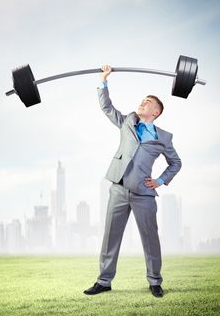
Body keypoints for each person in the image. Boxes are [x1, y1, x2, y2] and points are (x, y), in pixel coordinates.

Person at [83, 64, 182, 298]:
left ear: (156, 112)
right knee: (110, 237)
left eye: (149, 102)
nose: (143, 102)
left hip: (144, 195)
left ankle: (155, 281)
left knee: (150, 238)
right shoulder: (128, 121)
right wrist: (103, 80)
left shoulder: (164, 138)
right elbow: (107, 108)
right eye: (143, 100)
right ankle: (104, 281)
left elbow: (176, 163)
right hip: (118, 188)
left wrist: (159, 180)